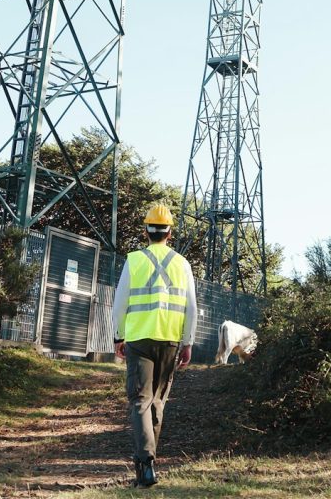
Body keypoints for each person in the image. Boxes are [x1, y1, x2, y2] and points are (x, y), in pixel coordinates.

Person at [112, 203, 197, 488]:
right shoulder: (183, 264)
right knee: (157, 402)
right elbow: (192, 308)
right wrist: (188, 342)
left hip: (139, 340)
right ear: (170, 233)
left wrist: (118, 336)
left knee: (140, 401)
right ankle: (148, 464)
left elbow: (120, 303)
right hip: (171, 341)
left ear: (145, 231)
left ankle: (145, 464)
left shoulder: (134, 260)